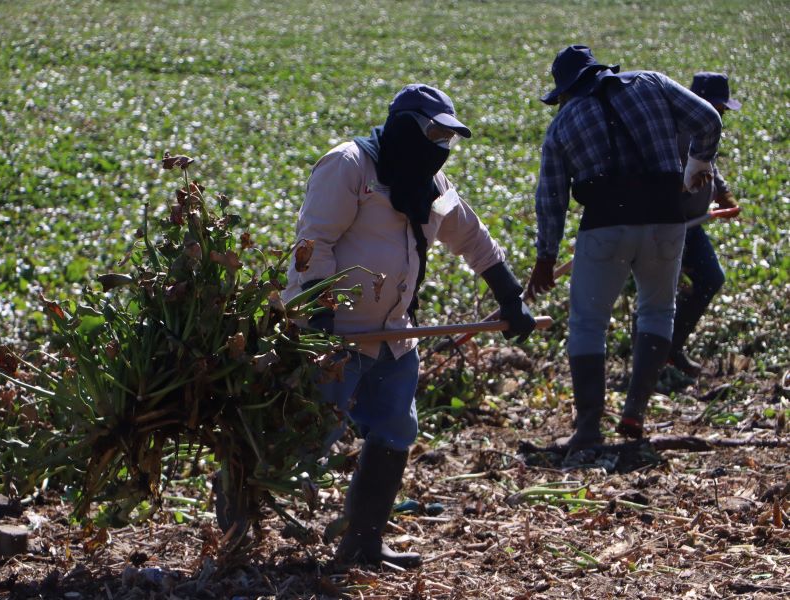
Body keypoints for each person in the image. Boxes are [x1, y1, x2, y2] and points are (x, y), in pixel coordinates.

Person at [284, 84, 537, 568]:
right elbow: (314, 243)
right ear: (406, 128)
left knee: (394, 433)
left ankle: (363, 543)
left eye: (448, 138)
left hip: (394, 337)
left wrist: (511, 298)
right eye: (434, 133)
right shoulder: (350, 166)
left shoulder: (433, 188)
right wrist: (321, 320)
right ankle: (239, 530)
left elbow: (475, 241)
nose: (441, 147)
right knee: (305, 439)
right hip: (334, 337)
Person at [526, 46, 722, 446]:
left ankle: (587, 429)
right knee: (657, 310)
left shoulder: (563, 124)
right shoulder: (651, 82)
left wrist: (546, 257)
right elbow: (709, 119)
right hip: (667, 220)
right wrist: (697, 166)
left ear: (565, 90)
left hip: (605, 227)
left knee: (587, 323)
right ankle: (634, 414)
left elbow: (551, 197)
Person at [667, 72, 741, 377]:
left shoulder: (706, 129)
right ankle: (651, 360)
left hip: (692, 227)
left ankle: (672, 347)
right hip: (667, 227)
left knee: (710, 278)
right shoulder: (674, 131)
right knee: (659, 294)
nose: (721, 114)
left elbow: (709, 163)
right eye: (718, 108)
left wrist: (721, 191)